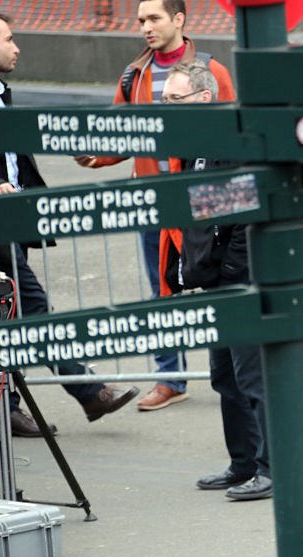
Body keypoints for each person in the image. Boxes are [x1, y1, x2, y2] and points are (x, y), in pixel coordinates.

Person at [0, 8, 138, 433]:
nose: (16, 47)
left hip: (7, 218)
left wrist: (38, 203)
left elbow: (14, 156)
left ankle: (6, 411)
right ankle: (90, 392)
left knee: (7, 314)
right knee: (33, 307)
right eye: (9, 39)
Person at [74, 0, 236, 412]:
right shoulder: (135, 74)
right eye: (141, 20)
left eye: (154, 18)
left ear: (179, 19)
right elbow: (122, 131)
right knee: (162, 292)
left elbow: (235, 130)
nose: (144, 26)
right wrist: (96, 155)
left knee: (221, 285)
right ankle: (171, 378)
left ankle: (235, 367)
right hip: (154, 203)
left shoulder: (212, 70)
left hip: (203, 205)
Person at [160, 62, 271, 501]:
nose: (166, 108)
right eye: (164, 100)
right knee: (224, 377)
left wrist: (229, 271)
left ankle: (270, 468)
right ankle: (242, 464)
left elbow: (247, 217)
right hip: (214, 282)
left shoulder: (231, 143)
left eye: (174, 100)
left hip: (239, 284)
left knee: (253, 379)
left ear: (204, 99)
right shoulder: (192, 143)